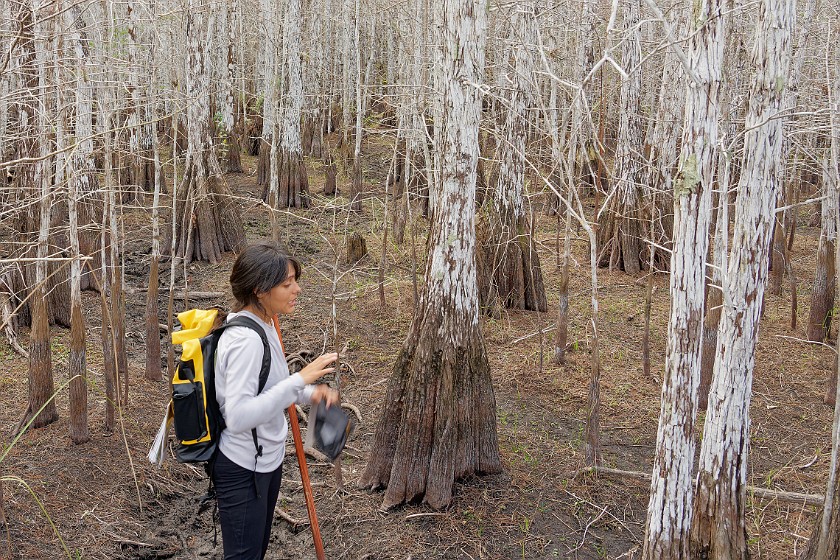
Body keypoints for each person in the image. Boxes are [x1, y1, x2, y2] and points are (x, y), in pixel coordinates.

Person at [213, 242, 339, 560]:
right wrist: (301, 379)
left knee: (257, 551)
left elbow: (274, 386)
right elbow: (238, 416)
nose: (296, 289)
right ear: (259, 289)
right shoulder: (245, 341)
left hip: (267, 461)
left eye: (295, 280)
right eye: (287, 284)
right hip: (243, 468)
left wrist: (312, 393)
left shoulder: (265, 323)